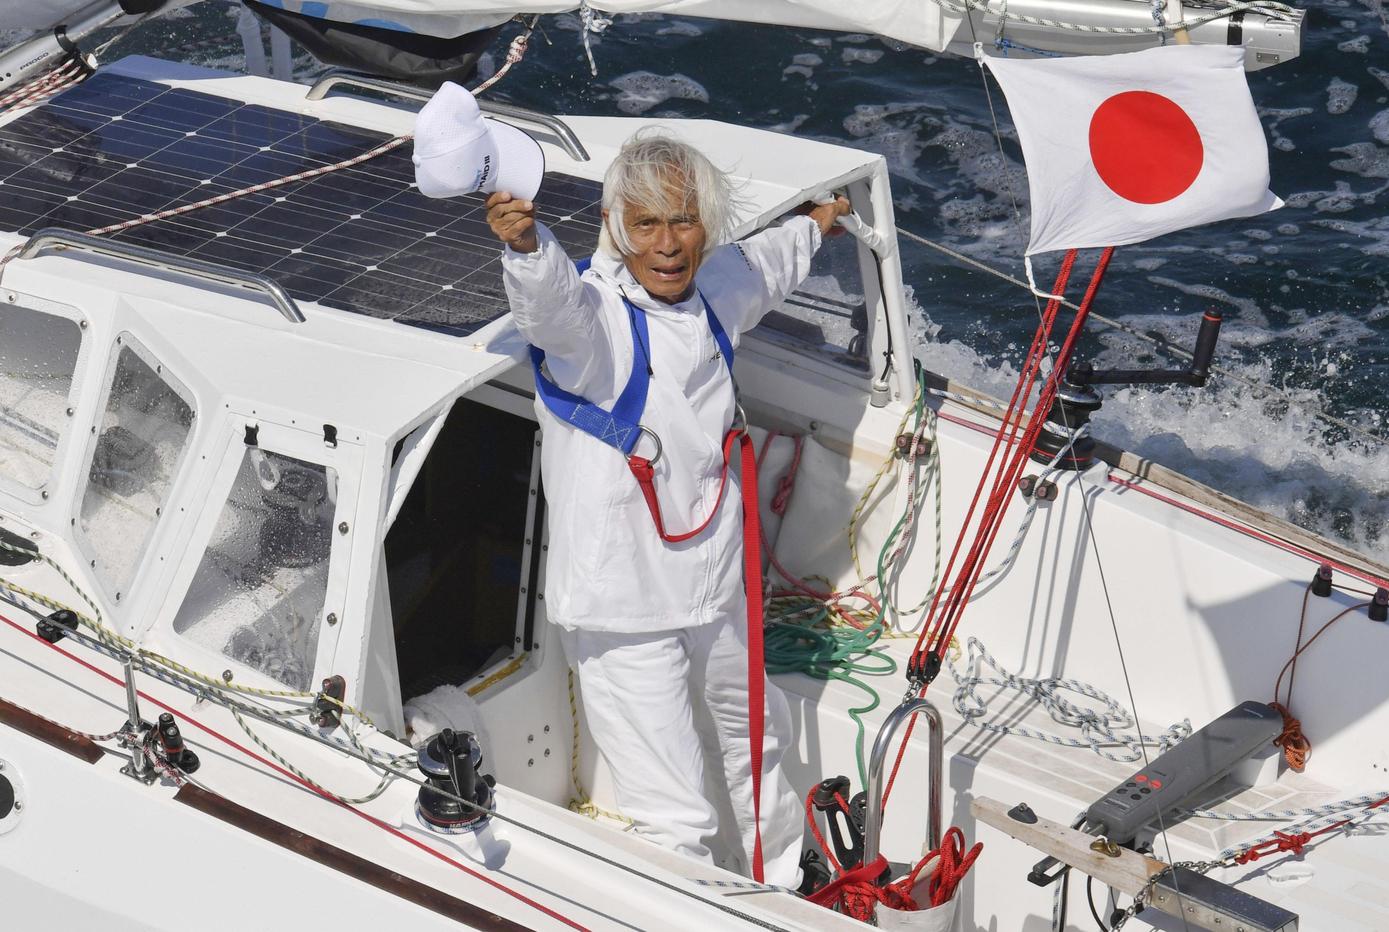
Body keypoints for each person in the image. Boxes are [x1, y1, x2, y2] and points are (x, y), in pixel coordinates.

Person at [488, 131, 850, 887]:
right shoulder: (591, 323)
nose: (667, 244)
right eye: (645, 223)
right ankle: (695, 905)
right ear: (613, 221)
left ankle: (787, 878)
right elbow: (550, 310)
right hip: (623, 604)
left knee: (758, 738)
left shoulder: (717, 290)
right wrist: (527, 247)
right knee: (672, 808)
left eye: (683, 222)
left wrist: (820, 219)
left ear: (706, 225)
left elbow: (767, 264)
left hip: (713, 578)